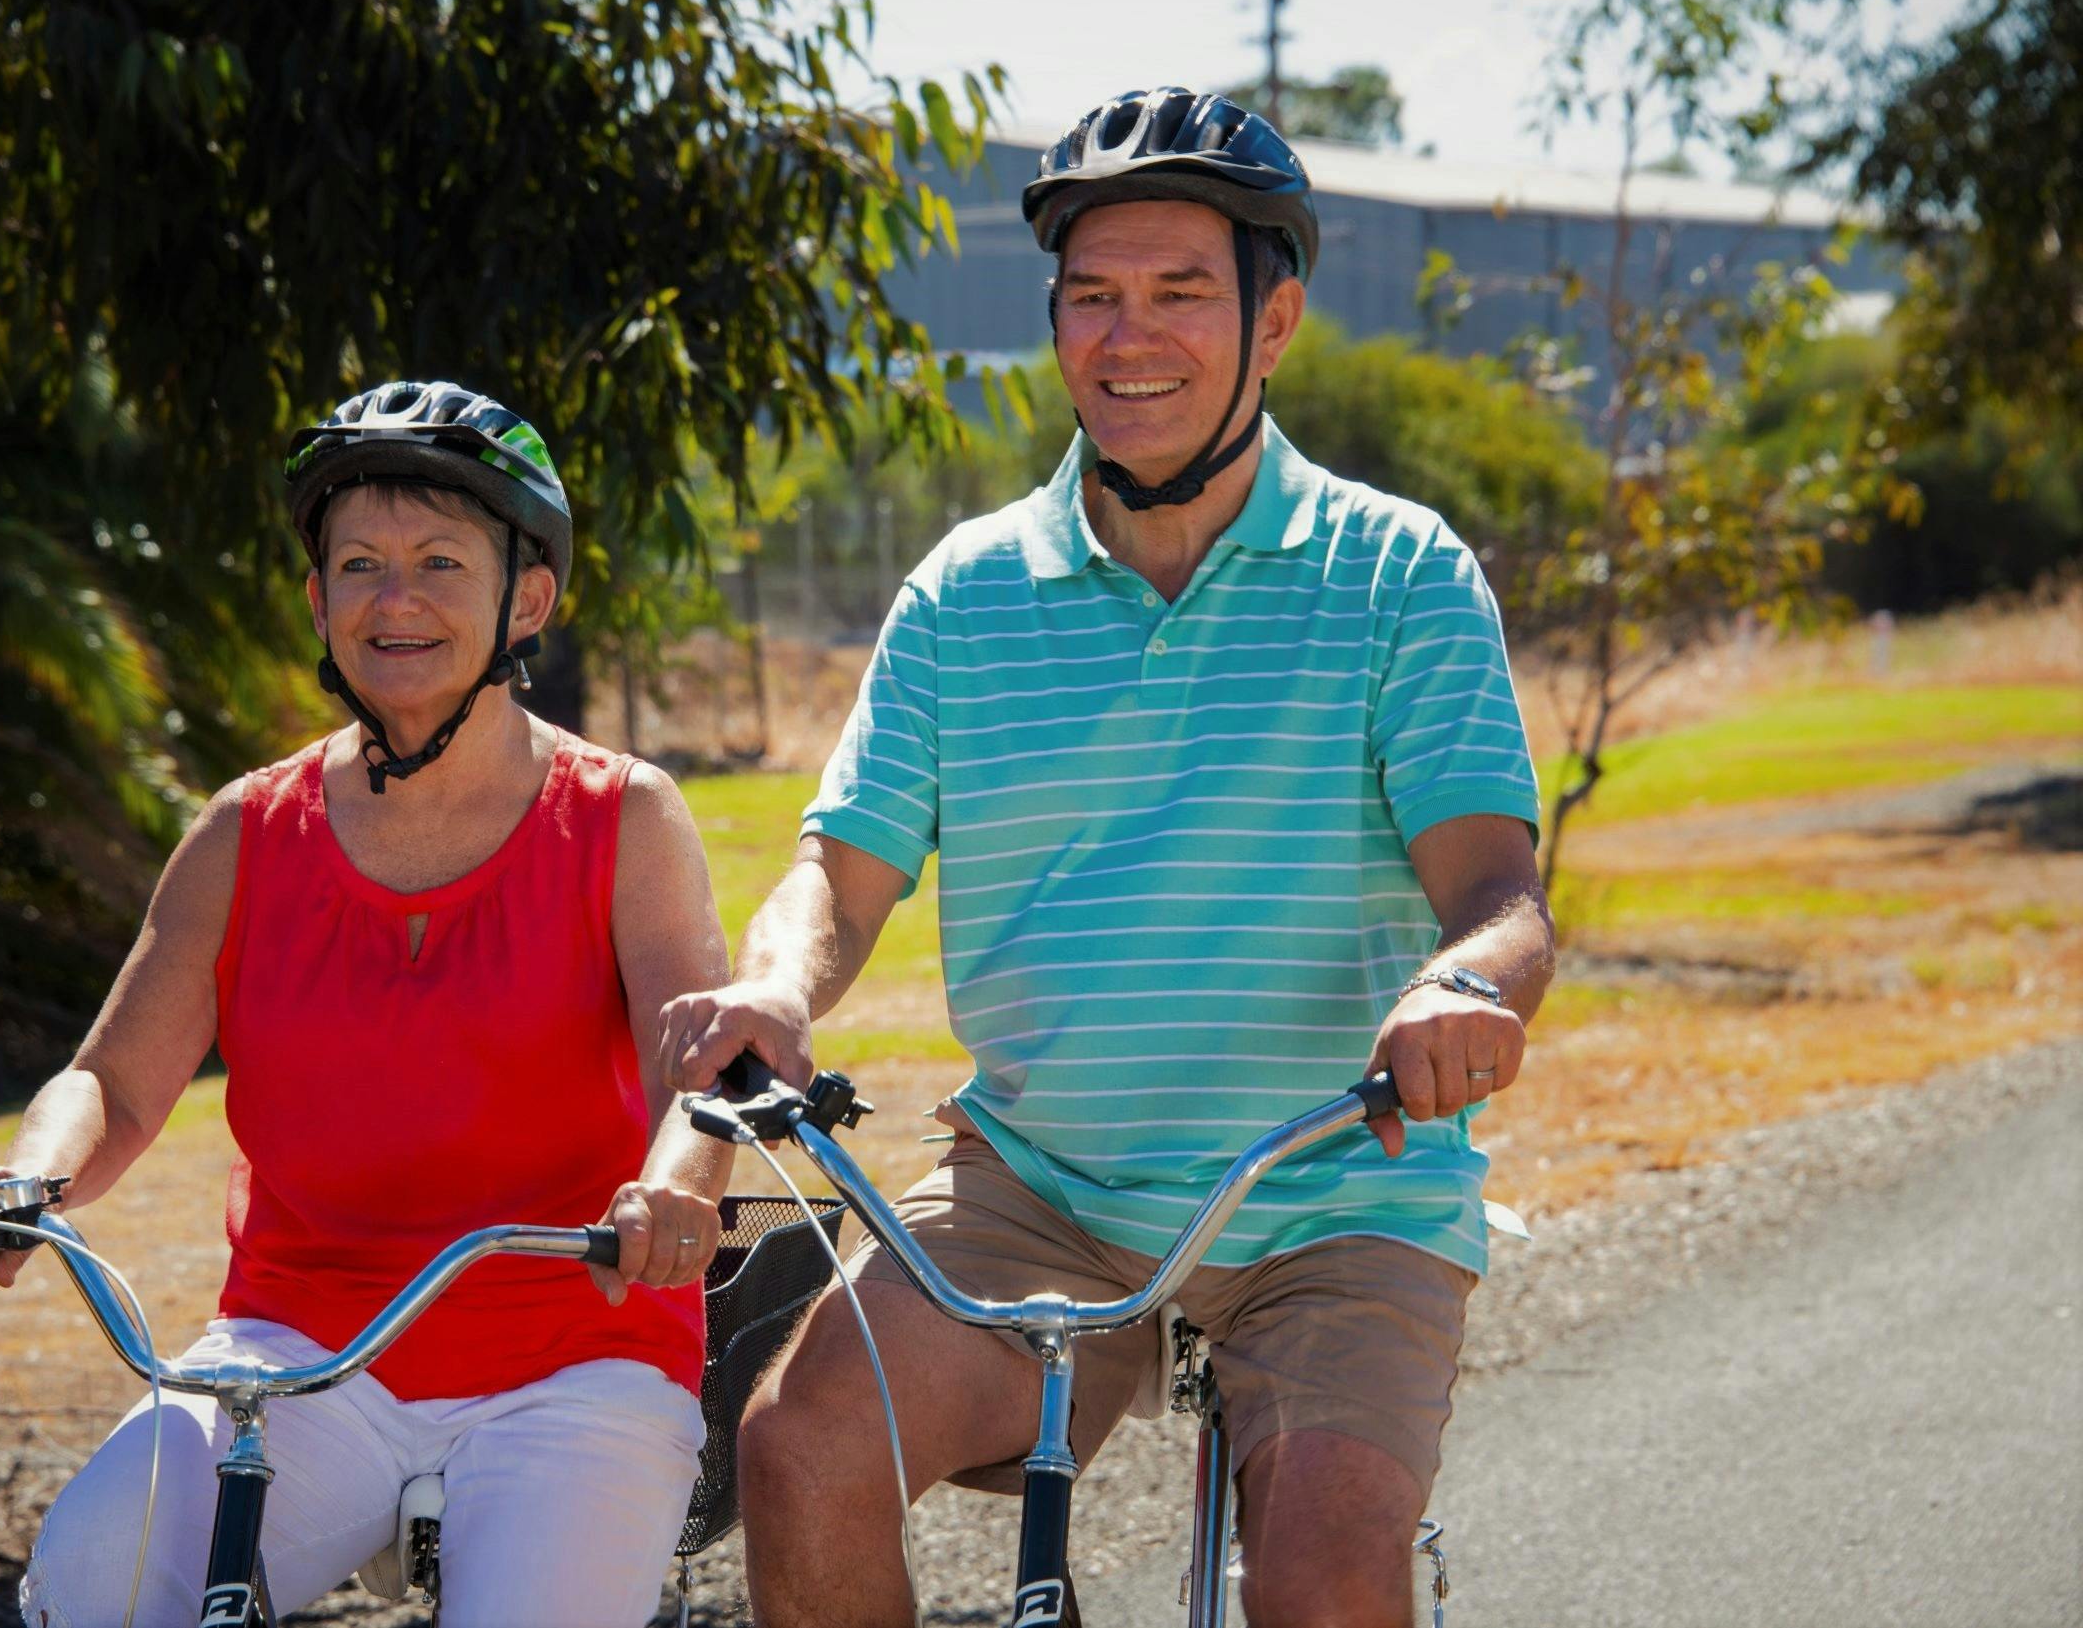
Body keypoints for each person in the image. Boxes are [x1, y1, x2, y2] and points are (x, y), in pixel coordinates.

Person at [661, 89, 1556, 1627]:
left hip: (1336, 1189)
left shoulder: (1400, 572)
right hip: (1042, 1191)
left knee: (1330, 1569)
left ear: (1274, 322)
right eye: (1093, 297)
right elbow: (837, 874)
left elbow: (1499, 897)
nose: (1127, 338)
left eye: (1179, 294)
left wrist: (1459, 989)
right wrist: (775, 987)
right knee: (798, 1452)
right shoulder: (964, 594)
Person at [0, 381, 734, 1626]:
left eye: (438, 562)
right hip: (295, 1352)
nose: (392, 598)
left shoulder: (625, 817)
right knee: (94, 1584)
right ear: (317, 602)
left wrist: (676, 1184)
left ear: (528, 596)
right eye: (357, 563)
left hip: (576, 1348)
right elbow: (112, 1082)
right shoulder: (244, 832)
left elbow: (705, 1062)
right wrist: (31, 1179)